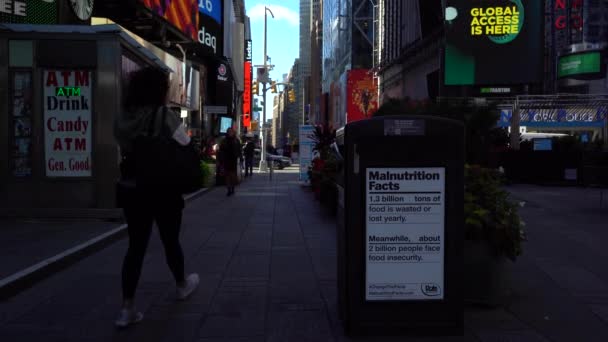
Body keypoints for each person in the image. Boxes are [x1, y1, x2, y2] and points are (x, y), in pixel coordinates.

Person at [113, 67, 199, 328]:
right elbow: (185, 144)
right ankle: (182, 284)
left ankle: (127, 308)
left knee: (135, 248)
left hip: (134, 189)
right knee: (170, 241)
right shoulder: (165, 116)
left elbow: (125, 145)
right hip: (164, 189)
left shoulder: (123, 118)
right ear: (158, 90)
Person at [219, 127, 241, 195]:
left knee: (232, 175)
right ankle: (229, 189)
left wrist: (240, 157)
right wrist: (220, 160)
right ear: (227, 132)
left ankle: (232, 187)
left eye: (231, 132)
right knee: (227, 175)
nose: (230, 133)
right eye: (229, 132)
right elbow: (221, 150)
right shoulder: (224, 140)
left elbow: (239, 150)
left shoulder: (236, 140)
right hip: (226, 159)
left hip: (233, 160)